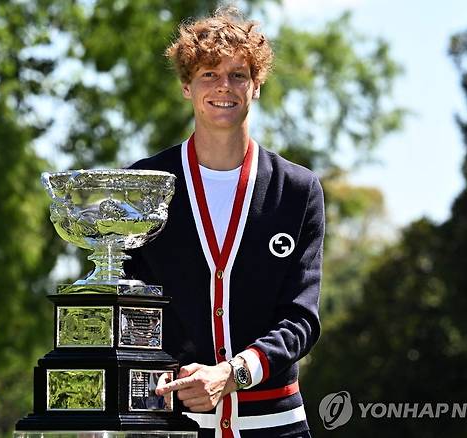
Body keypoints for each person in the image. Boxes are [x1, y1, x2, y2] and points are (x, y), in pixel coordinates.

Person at [125, 7, 324, 438]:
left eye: (238, 75)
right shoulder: (144, 186)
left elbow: (301, 320)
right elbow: (133, 305)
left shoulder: (298, 189)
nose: (224, 87)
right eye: (209, 74)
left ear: (256, 86)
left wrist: (234, 374)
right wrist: (152, 368)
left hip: (276, 424)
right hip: (173, 426)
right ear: (186, 86)